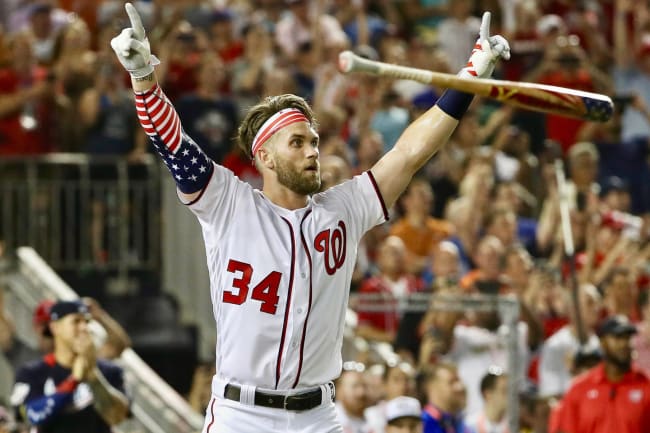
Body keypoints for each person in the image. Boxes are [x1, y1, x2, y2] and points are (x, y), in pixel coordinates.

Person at [109, 4, 510, 432]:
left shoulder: (345, 209)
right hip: (242, 414)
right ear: (263, 156)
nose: (312, 151)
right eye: (296, 142)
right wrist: (144, 81)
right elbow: (173, 143)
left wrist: (470, 76)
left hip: (317, 416)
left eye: (314, 141)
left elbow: (411, 152)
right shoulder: (228, 203)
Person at [9, 300, 129, 433]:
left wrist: (92, 375)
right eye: (76, 321)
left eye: (87, 322)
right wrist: (73, 380)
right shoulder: (32, 373)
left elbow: (117, 417)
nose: (84, 327)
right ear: (55, 327)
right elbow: (28, 416)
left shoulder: (109, 370)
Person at [553, 315, 650, 433]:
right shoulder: (580, 389)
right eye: (618, 338)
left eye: (627, 338)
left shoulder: (645, 386)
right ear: (603, 342)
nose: (624, 344)